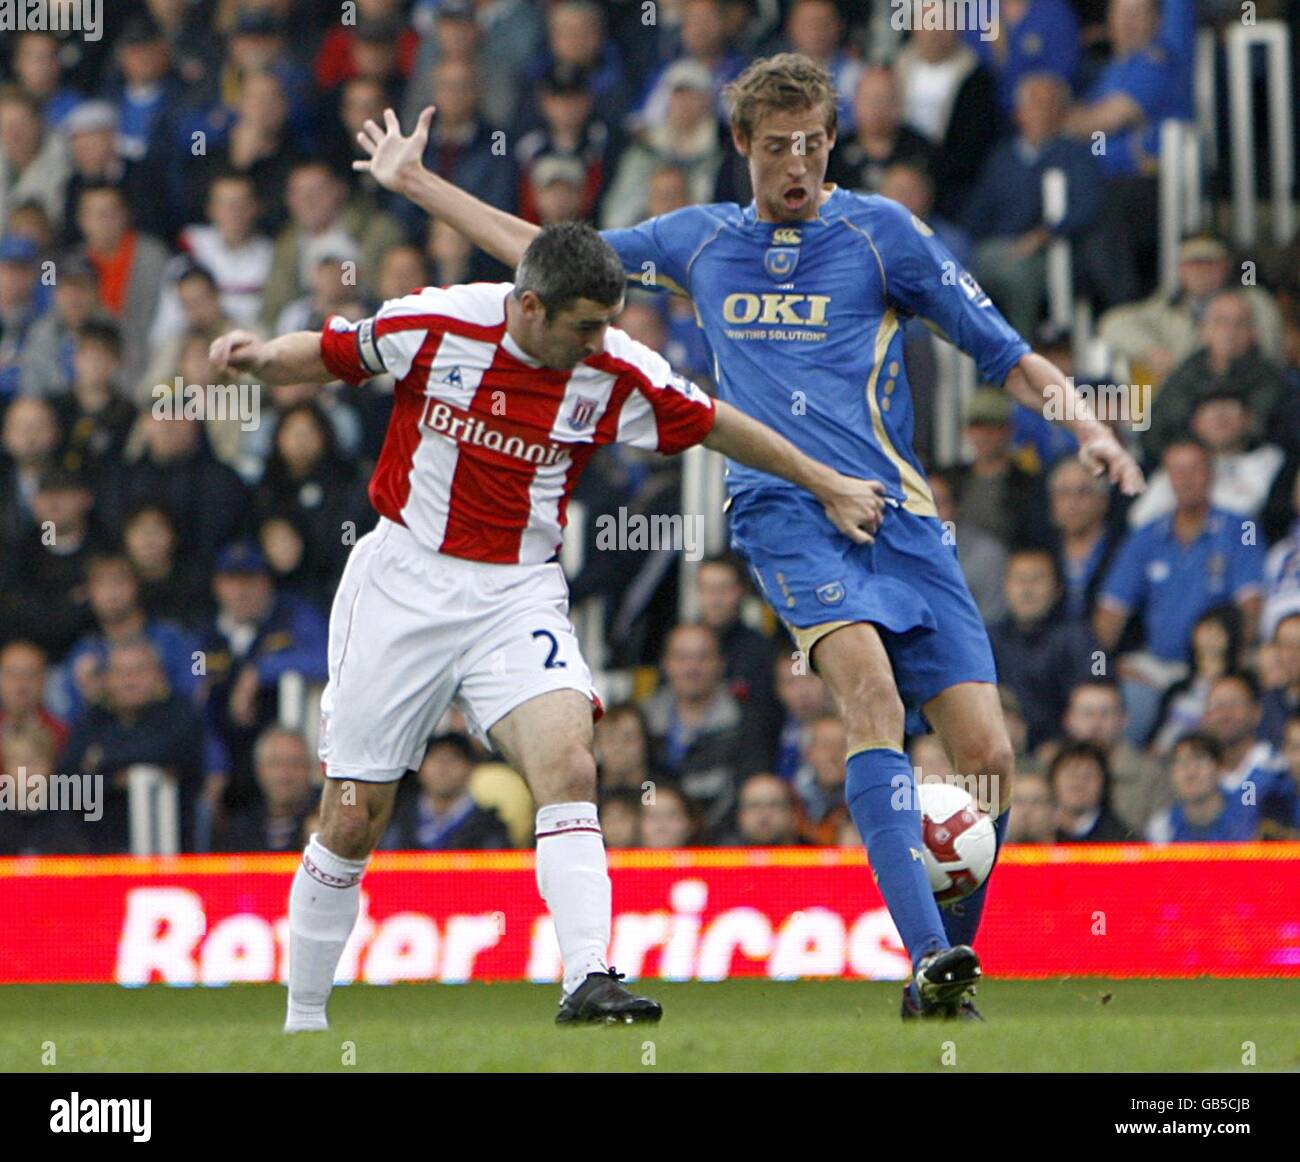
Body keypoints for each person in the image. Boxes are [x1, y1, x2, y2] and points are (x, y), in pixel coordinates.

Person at [358, 53, 1146, 1020]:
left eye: (813, 144)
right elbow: (549, 254)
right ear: (741, 145)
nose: (798, 165)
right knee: (871, 699)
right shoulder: (700, 241)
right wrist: (418, 181)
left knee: (989, 757)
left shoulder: (882, 234)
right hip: (785, 512)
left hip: (897, 513)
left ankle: (947, 977)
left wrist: (1089, 427)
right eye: (777, 147)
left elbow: (1004, 351)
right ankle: (929, 955)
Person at [208, 220, 887, 1030]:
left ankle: (589, 976)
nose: (603, 339)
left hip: (516, 592)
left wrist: (825, 482)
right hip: (403, 586)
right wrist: (256, 358)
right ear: (529, 306)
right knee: (353, 814)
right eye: (587, 325)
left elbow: (713, 422)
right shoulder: (439, 323)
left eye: (609, 322)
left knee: (569, 762)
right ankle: (305, 1020)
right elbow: (329, 351)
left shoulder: (612, 369)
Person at [1095, 439, 1264, 743]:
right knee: (1115, 707)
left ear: (1212, 475)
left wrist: (1231, 666)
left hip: (1216, 666)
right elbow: (1111, 611)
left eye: (1194, 470)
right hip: (1156, 666)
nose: (1185, 479)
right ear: (1166, 478)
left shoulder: (1242, 529)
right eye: (1176, 471)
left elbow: (1251, 605)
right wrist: (1100, 669)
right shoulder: (1146, 535)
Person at [381, 732, 511, 851]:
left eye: (452, 760)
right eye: (435, 760)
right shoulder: (396, 819)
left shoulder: (489, 825)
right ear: (420, 769)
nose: (442, 769)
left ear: (470, 768)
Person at [1146, 732, 1259, 842]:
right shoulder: (1162, 829)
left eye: (1199, 760)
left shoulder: (1248, 817)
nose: (1190, 772)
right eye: (1179, 763)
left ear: (1220, 768)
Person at [220, 727, 318, 853]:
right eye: (275, 763)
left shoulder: (327, 824)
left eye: (294, 763)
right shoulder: (240, 831)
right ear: (258, 769)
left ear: (310, 768)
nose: (284, 774)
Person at [1048, 741, 1134, 842]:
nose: (1078, 784)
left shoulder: (1122, 840)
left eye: (1087, 776)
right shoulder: (1039, 834)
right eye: (1070, 775)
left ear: (1103, 784)